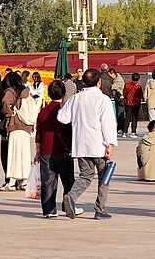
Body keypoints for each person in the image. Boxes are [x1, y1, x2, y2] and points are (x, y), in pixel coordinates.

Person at [57, 68, 117, 219]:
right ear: (99, 82)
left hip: (81, 144)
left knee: (85, 175)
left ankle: (71, 196)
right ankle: (100, 210)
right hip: (99, 144)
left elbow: (62, 117)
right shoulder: (103, 99)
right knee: (104, 178)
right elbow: (107, 123)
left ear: (84, 81)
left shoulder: (76, 98)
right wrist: (110, 144)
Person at [34, 80, 75, 218]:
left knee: (48, 182)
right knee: (68, 181)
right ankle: (68, 205)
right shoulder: (66, 111)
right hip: (63, 150)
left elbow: (38, 133)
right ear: (63, 94)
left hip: (46, 151)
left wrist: (37, 151)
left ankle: (49, 210)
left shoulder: (43, 112)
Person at [0, 72, 33, 191]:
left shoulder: (10, 91)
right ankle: (24, 181)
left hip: (15, 125)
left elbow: (5, 102)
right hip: (26, 126)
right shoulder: (26, 91)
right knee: (25, 154)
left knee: (13, 154)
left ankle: (12, 182)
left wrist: (8, 113)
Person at [122, 73, 143, 138]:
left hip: (128, 103)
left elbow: (124, 93)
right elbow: (141, 96)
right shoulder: (138, 86)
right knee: (134, 118)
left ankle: (124, 132)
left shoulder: (127, 85)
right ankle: (133, 132)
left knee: (127, 118)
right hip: (136, 103)